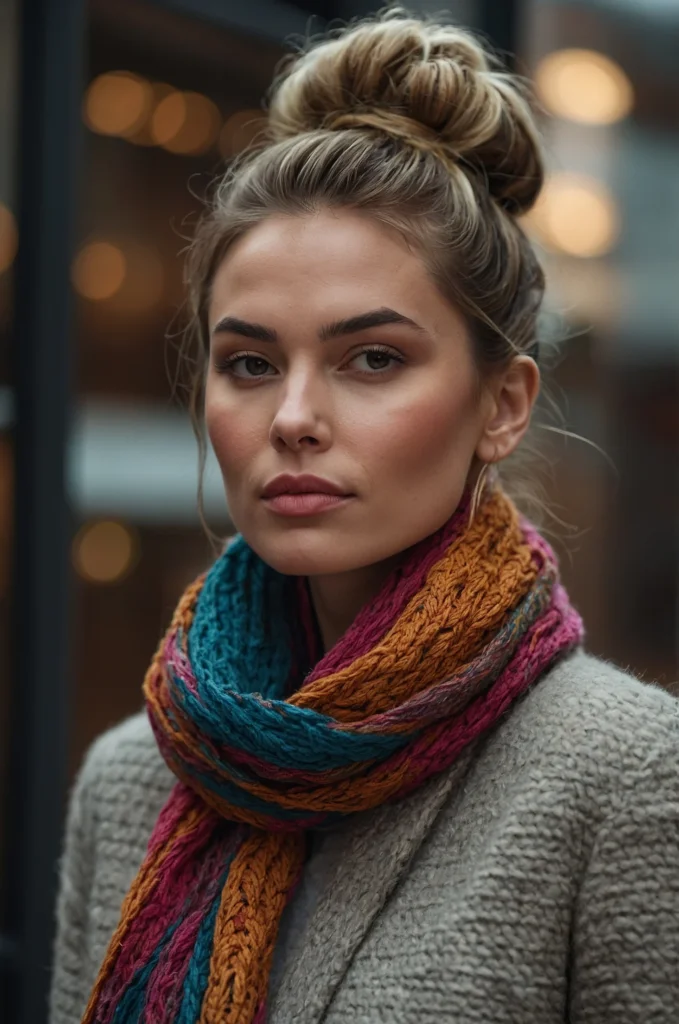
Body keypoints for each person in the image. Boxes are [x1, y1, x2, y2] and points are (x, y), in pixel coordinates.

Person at [49, 6, 679, 1023]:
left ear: (501, 405)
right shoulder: (130, 780)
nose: (292, 418)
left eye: (371, 359)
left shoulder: (623, 779)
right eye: (249, 363)